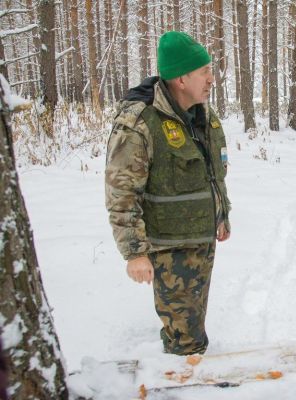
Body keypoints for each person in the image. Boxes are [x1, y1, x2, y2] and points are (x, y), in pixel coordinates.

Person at [105, 31, 231, 355]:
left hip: (201, 240)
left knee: (191, 327)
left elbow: (213, 172)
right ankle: (182, 381)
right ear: (180, 78)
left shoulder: (204, 115)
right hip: (169, 250)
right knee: (187, 341)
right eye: (204, 72)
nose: (211, 79)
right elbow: (122, 192)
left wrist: (222, 213)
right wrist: (134, 252)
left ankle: (182, 365)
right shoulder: (140, 122)